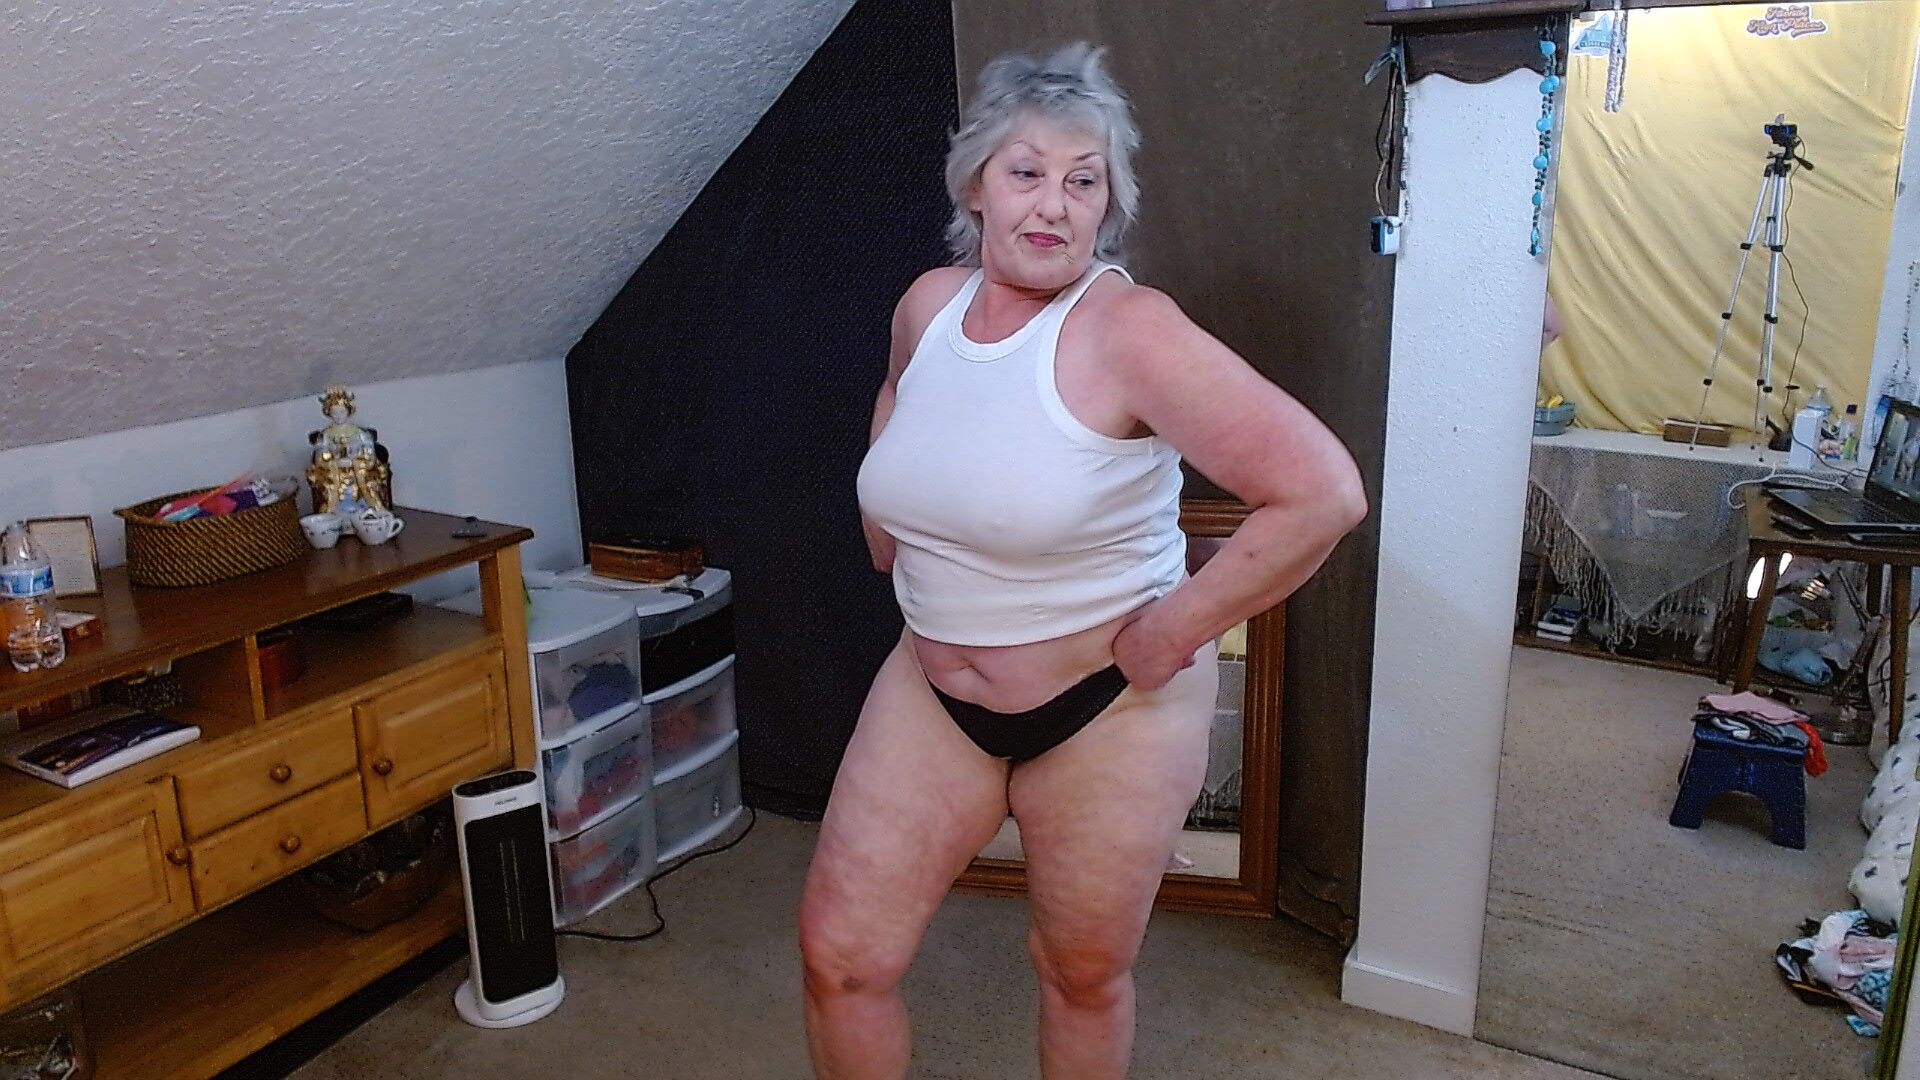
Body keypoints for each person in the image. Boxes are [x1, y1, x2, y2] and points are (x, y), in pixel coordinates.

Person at [799, 43, 1368, 1080]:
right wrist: (887, 524)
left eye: (1084, 180)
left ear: (1109, 203)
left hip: (1108, 710)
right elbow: (898, 396)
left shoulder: (1130, 331)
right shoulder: (927, 305)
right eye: (1027, 172)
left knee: (1080, 975)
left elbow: (1322, 494)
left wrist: (1172, 632)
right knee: (840, 960)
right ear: (976, 185)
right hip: (932, 689)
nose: (1053, 206)